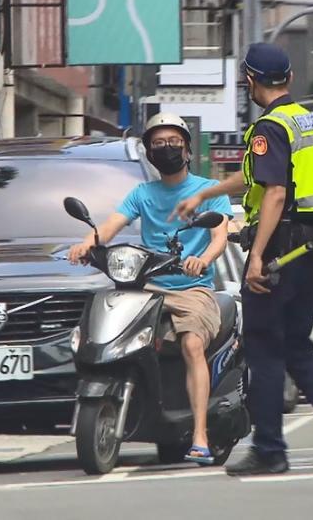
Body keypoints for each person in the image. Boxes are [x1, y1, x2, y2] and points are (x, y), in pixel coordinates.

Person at [171, 42, 313, 476]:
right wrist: (205, 193)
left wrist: (258, 257)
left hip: (281, 252)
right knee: (297, 345)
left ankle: (269, 449)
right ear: (288, 79)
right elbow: (257, 177)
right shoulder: (303, 119)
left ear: (249, 80)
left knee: (263, 347)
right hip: (312, 248)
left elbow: (276, 193)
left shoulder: (268, 128)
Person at [67, 112, 233, 465]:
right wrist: (87, 244)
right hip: (146, 289)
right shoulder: (142, 193)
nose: (166, 149)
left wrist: (202, 259)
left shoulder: (207, 192)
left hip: (192, 289)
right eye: (158, 144)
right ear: (149, 152)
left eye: (173, 143)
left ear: (187, 150)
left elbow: (219, 236)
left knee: (191, 344)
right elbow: (110, 227)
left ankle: (200, 435)